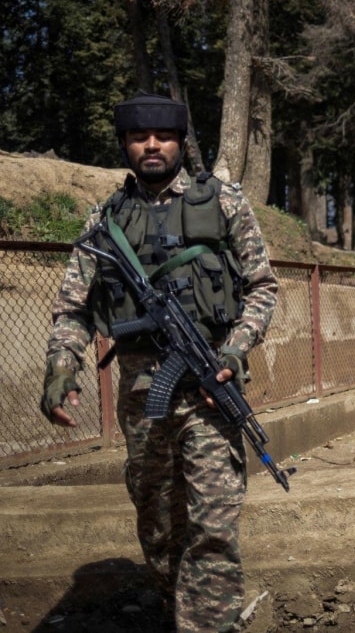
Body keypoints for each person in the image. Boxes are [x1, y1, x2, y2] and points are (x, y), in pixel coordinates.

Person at [40, 93, 279, 632]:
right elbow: (73, 308)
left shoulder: (225, 204)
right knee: (157, 524)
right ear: (125, 143)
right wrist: (61, 366)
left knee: (213, 523)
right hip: (142, 400)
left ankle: (208, 626)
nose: (152, 146)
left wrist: (236, 349)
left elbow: (264, 289)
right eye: (140, 137)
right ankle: (179, 609)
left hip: (211, 388)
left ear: (181, 142)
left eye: (164, 137)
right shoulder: (103, 220)